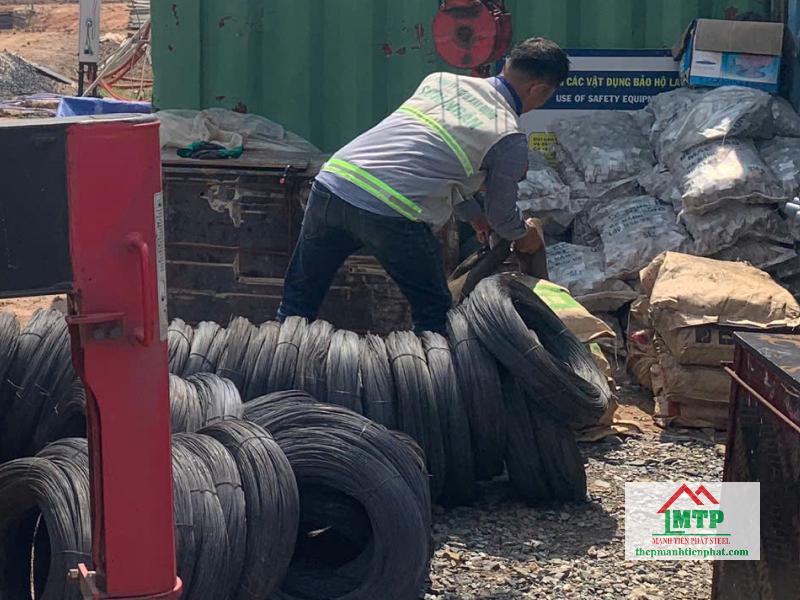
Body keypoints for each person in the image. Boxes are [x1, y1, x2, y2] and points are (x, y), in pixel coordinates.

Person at [278, 37, 570, 335]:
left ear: (508, 64)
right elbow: (502, 217)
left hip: (333, 184)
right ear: (539, 90)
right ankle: (425, 364)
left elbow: (430, 157)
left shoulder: (440, 82)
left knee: (297, 303)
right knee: (434, 316)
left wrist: (473, 215)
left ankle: (276, 359)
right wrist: (523, 235)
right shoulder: (508, 136)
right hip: (392, 211)